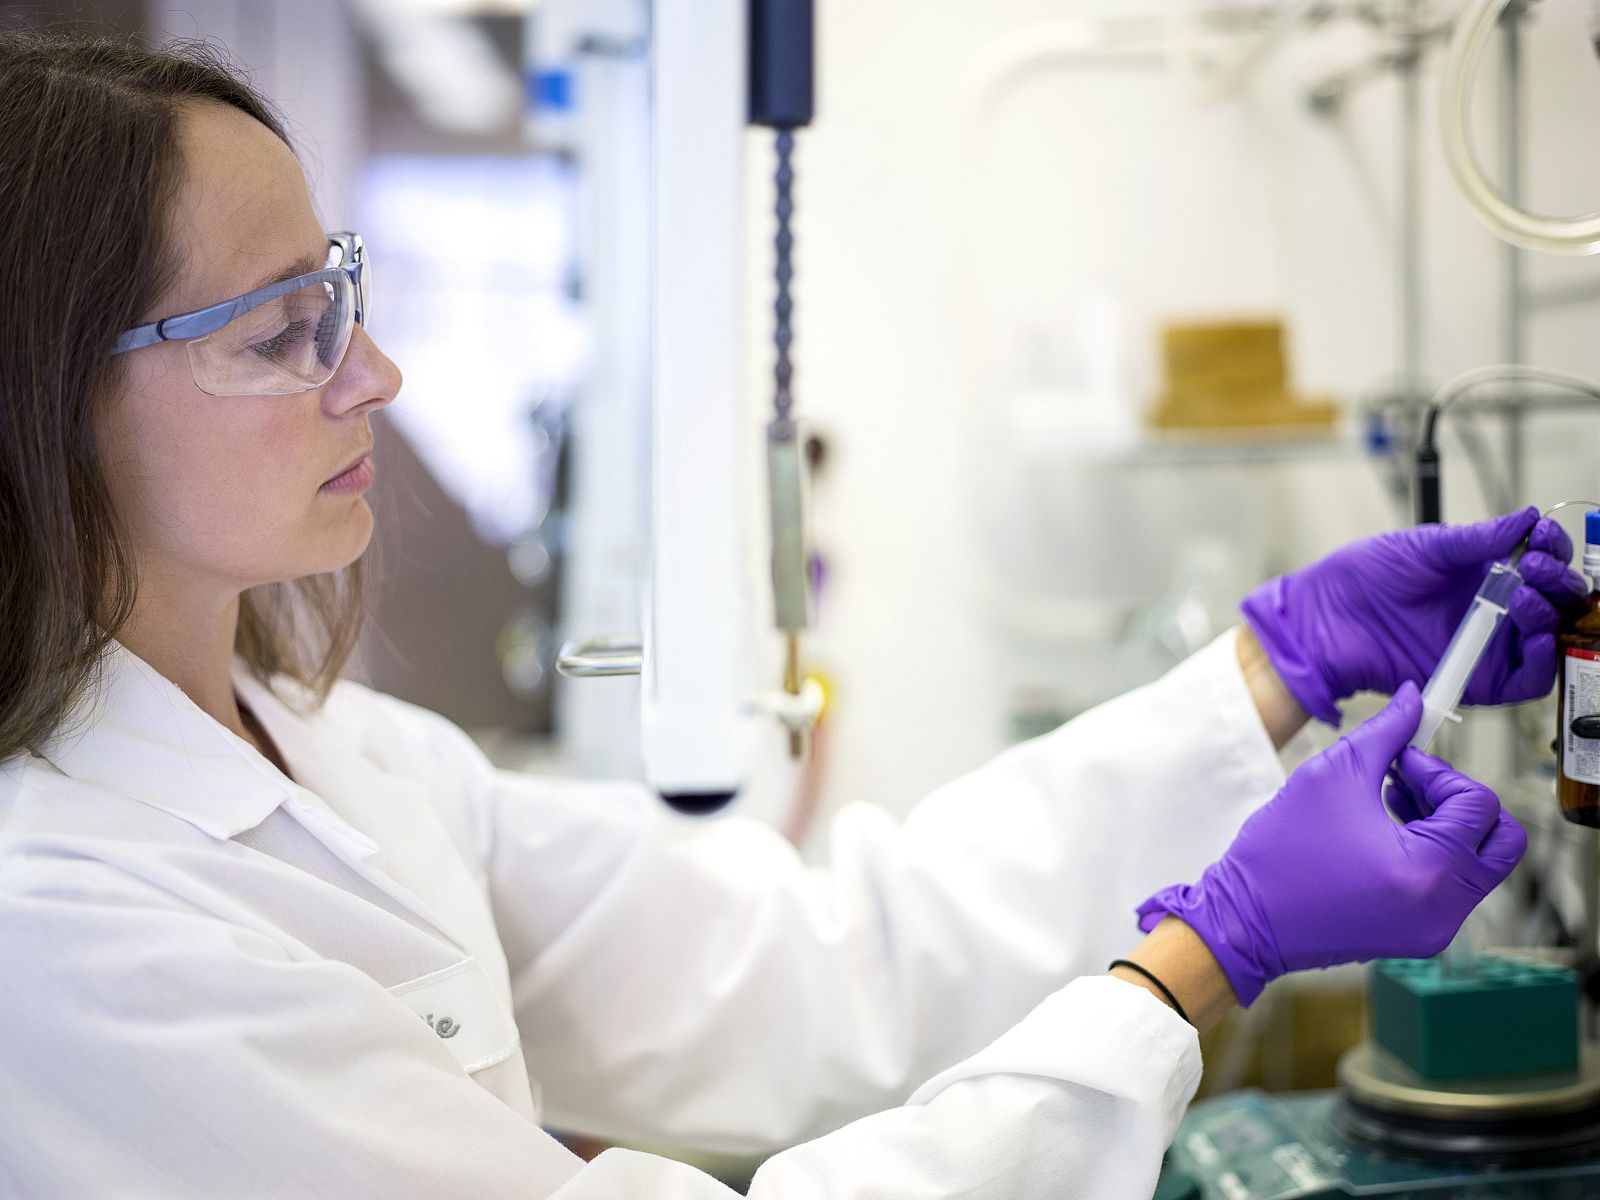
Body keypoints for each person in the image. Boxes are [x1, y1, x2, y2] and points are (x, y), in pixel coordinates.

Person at [0, 29, 1585, 1200]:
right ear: (47, 399)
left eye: (340, 294)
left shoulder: (337, 751)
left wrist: (1269, 671)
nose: (375, 375)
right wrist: (1200, 960)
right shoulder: (57, 928)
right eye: (283, 330)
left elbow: (814, 968)